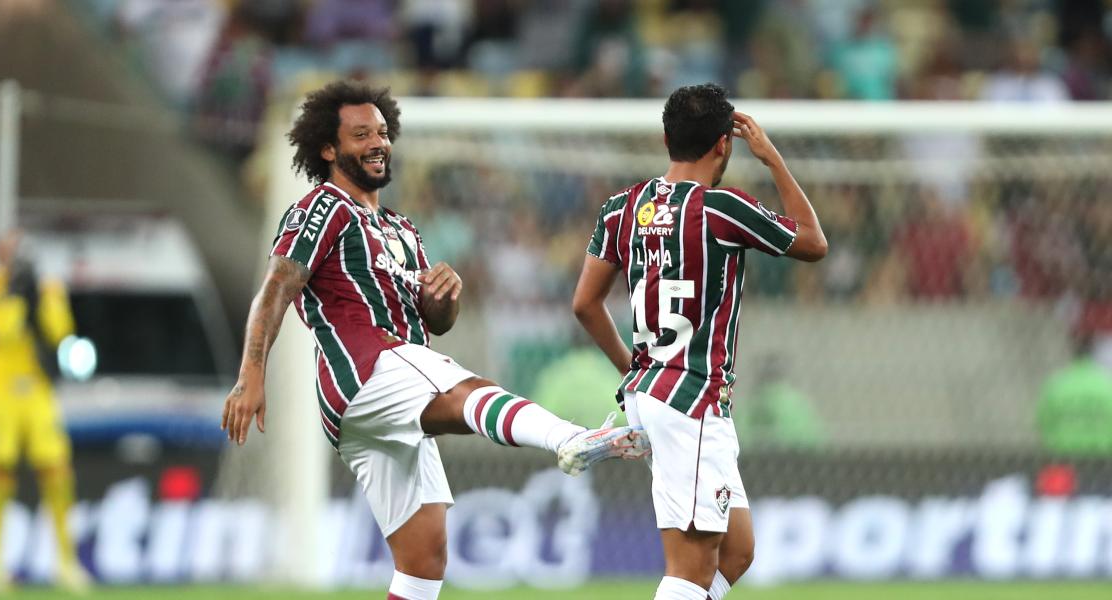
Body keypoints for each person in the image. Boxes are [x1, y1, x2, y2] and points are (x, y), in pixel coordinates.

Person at [219, 80, 647, 600]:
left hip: (383, 398)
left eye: (381, 132)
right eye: (361, 135)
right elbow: (276, 288)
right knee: (465, 391)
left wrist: (444, 298)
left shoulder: (403, 229)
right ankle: (568, 439)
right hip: (364, 368)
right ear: (329, 149)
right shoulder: (324, 207)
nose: (377, 143)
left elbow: (436, 322)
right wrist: (251, 375)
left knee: (423, 558)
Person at [572, 83, 827, 600]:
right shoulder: (723, 209)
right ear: (724, 145)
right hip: (692, 400)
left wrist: (635, 374)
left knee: (736, 552)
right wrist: (773, 158)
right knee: (688, 568)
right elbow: (814, 242)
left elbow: (585, 304)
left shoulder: (621, 209)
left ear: (666, 138)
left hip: (657, 393)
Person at [0, 230, 90, 592]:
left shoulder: (49, 288)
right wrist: (16, 298)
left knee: (56, 471)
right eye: (9, 252)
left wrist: (37, 299)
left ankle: (66, 563)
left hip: (36, 390)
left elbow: (61, 331)